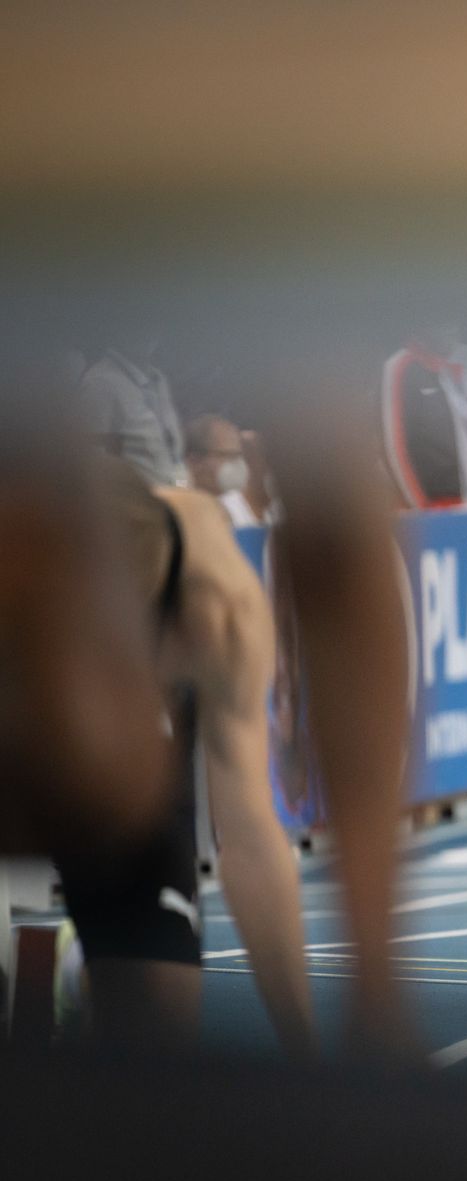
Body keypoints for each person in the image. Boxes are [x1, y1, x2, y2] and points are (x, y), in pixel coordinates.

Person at [49, 460, 318, 1056]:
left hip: (119, 763)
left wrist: (305, 1057)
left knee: (159, 1034)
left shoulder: (218, 594)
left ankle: (83, 961)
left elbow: (248, 828)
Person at [380, 324, 467, 509]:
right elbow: (394, 446)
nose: (450, 333)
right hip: (433, 499)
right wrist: (419, 506)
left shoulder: (460, 364)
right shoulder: (403, 366)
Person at [78, 326, 187, 488]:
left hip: (176, 494)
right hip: (136, 499)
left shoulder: (158, 379)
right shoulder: (101, 383)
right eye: (138, 323)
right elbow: (89, 457)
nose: (147, 331)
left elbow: (171, 451)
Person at [183, 413, 267, 528]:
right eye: (230, 456)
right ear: (194, 461)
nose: (238, 464)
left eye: (240, 455)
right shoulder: (179, 511)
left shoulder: (241, 503)